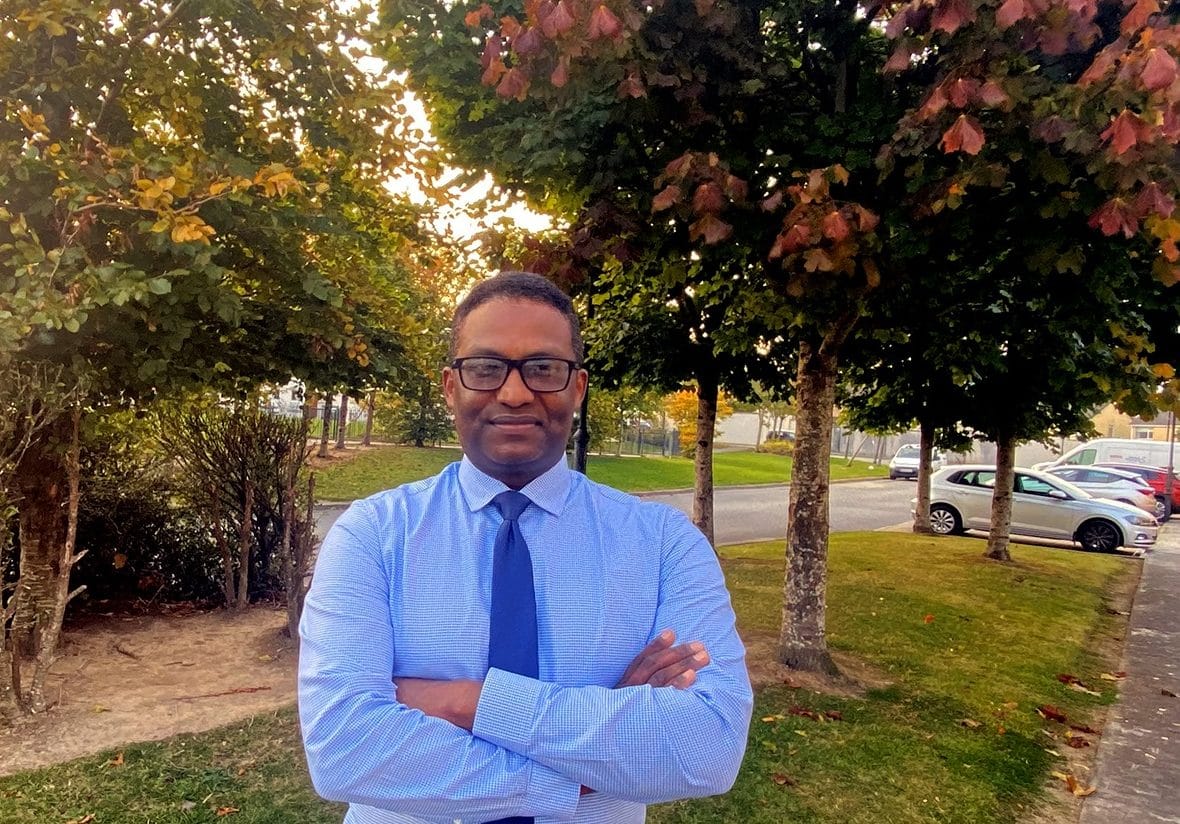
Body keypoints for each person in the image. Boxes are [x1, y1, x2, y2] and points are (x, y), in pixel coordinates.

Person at [298, 271, 752, 824]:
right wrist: (601, 741)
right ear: (450, 386)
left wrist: (463, 701)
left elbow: (706, 748)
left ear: (577, 387)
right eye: (485, 369)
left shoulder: (664, 545)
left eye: (543, 368)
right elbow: (345, 751)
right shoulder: (372, 533)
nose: (514, 393)